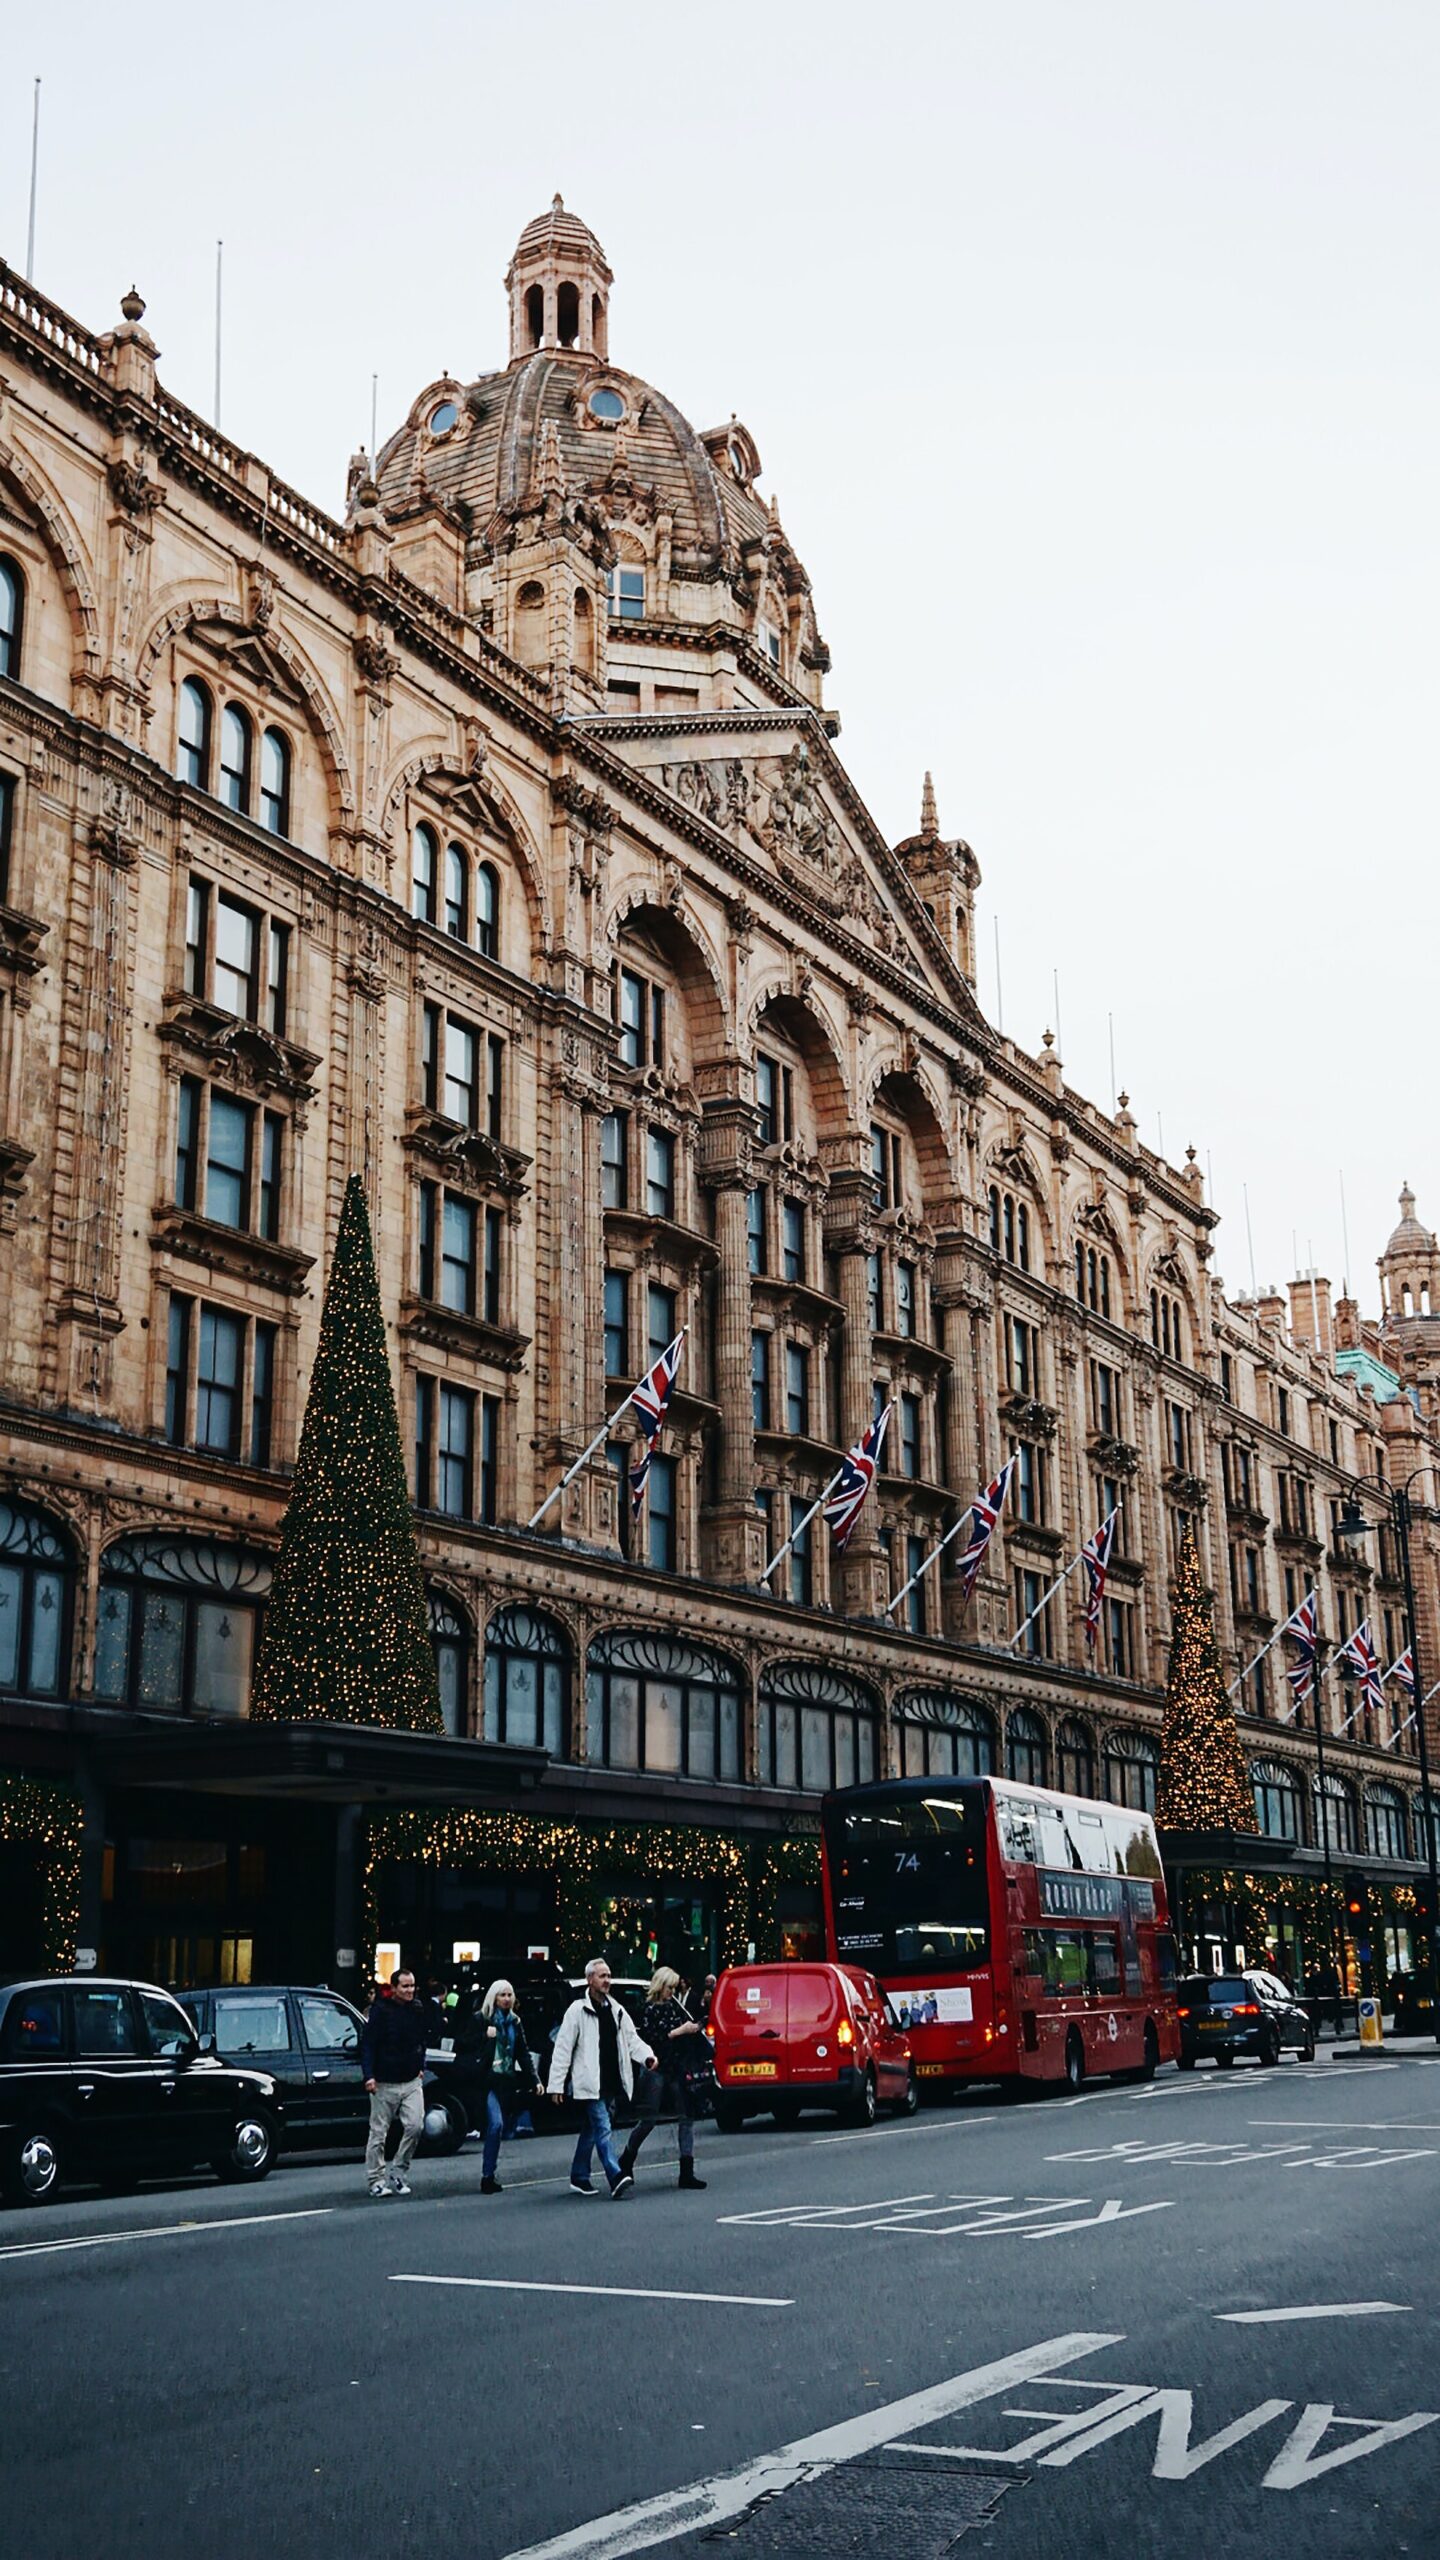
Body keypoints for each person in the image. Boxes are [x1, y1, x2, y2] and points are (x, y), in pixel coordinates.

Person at [547, 1956, 656, 2197]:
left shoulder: (616, 2010)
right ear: (589, 1980)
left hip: (611, 2081)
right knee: (603, 2127)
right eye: (602, 1976)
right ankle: (615, 2175)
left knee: (591, 2129)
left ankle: (579, 2176)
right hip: (589, 2082)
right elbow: (563, 2048)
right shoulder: (577, 2010)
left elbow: (631, 2040)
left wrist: (646, 2056)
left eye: (608, 1975)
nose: (607, 1980)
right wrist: (555, 2085)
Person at [617, 1966, 708, 2192]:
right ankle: (627, 2159)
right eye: (669, 1987)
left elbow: (684, 2031)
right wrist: (681, 2031)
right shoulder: (648, 2009)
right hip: (656, 2067)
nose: (672, 1992)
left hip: (675, 2067)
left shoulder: (675, 2007)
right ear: (660, 1985)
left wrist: (695, 2027)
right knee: (648, 2119)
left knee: (686, 2116)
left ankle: (686, 2171)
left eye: (675, 1988)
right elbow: (652, 2038)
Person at [360, 1966, 428, 2198]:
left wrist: (421, 2065)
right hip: (384, 2081)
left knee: (415, 2125)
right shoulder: (380, 2011)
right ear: (394, 1988)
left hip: (410, 2079)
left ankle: (399, 2171)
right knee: (379, 2133)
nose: (410, 1990)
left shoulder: (417, 2009)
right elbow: (368, 2044)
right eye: (405, 1986)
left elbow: (422, 2040)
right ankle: (376, 2179)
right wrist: (368, 2075)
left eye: (412, 1986)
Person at [472, 1977, 540, 2195]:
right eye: (502, 1995)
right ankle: (487, 2176)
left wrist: (535, 2079)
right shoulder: (482, 2019)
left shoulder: (515, 2022)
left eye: (510, 1994)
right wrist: (486, 2036)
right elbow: (464, 2044)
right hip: (486, 2081)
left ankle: (489, 2173)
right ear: (494, 1997)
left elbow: (522, 2052)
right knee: (496, 2125)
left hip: (506, 2082)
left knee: (500, 2128)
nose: (507, 1999)